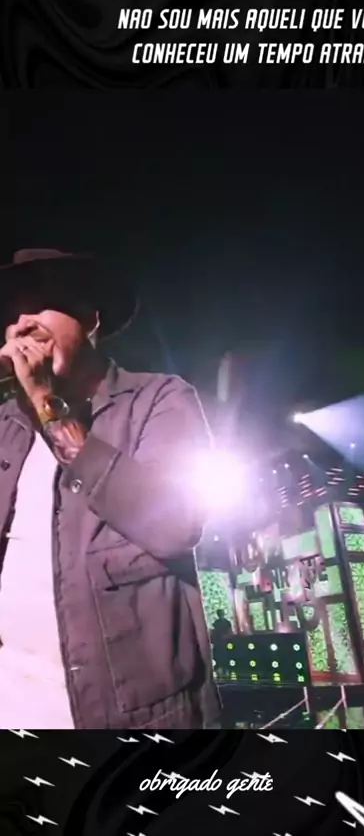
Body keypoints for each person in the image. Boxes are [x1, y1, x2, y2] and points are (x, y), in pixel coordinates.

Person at [0, 248, 221, 729]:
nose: (22, 324)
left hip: (131, 720)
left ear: (90, 318)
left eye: (41, 304)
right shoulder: (5, 427)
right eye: (13, 313)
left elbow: (176, 525)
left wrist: (46, 404)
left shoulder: (157, 399)